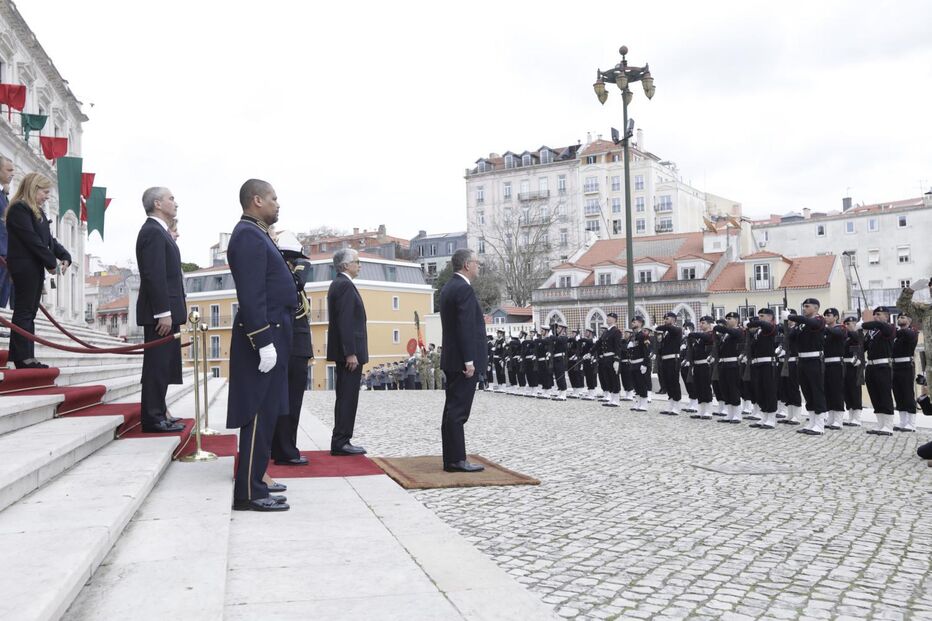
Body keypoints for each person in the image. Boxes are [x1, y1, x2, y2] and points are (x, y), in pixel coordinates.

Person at [227, 178, 296, 512]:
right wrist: (263, 340)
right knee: (256, 414)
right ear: (256, 200)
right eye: (273, 198)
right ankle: (250, 492)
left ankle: (257, 483)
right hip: (264, 334)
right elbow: (252, 295)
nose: (278, 203)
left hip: (276, 330)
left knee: (268, 414)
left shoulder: (257, 234)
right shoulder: (248, 236)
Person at [4, 172, 71, 369]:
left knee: (30, 312)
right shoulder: (19, 209)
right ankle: (22, 357)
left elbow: (49, 241)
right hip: (24, 266)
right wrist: (51, 263)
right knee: (24, 311)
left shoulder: (37, 212)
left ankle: (27, 356)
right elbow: (32, 240)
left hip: (33, 267)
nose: (47, 196)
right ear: (34, 189)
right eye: (45, 191)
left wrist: (65, 255)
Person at [135, 187, 185, 433]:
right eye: (171, 198)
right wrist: (162, 312)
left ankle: (160, 412)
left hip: (167, 310)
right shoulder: (153, 232)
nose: (175, 202)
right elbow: (154, 275)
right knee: (156, 366)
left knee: (164, 366)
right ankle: (153, 418)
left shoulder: (160, 232)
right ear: (157, 203)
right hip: (159, 313)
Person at [438, 248, 486, 473]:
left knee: (451, 410)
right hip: (462, 361)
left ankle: (451, 458)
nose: (478, 266)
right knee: (458, 412)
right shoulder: (463, 289)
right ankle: (457, 460)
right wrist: (469, 360)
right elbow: (465, 327)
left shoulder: (448, 287)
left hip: (451, 358)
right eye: (476, 262)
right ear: (467, 264)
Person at [270, 230, 313, 466]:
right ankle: (285, 449)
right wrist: (299, 268)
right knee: (290, 401)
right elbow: (297, 286)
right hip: (293, 345)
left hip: (296, 345)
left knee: (288, 400)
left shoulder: (285, 272)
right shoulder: (287, 275)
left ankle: (283, 446)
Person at [327, 247, 368, 456]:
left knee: (346, 396)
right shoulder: (344, 285)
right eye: (357, 261)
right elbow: (345, 322)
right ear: (345, 265)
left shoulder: (341, 284)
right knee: (347, 397)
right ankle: (341, 441)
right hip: (349, 354)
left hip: (347, 351)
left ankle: (342, 439)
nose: (359, 265)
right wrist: (350, 352)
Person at [786, 299, 828, 435]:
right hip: (802, 360)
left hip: (814, 359)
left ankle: (820, 425)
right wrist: (788, 323)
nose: (804, 308)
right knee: (807, 392)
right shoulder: (801, 324)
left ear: (815, 308)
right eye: (803, 306)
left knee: (817, 391)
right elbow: (790, 337)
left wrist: (792, 317)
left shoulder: (819, 320)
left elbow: (812, 323)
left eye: (807, 306)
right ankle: (812, 422)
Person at [862, 306, 896, 436]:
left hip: (883, 366)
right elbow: (863, 347)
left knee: (884, 395)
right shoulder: (872, 333)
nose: (876, 317)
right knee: (875, 396)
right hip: (871, 366)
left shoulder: (889, 328)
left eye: (879, 314)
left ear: (886, 316)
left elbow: (878, 324)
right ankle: (880, 424)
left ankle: (888, 425)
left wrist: (864, 324)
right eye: (874, 314)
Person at [891, 313, 918, 432]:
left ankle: (911, 423)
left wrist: (893, 330)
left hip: (906, 365)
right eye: (899, 317)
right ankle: (903, 421)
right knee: (898, 394)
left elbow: (907, 334)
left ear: (909, 320)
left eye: (902, 317)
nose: (899, 319)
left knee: (907, 393)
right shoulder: (896, 333)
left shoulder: (912, 332)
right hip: (895, 365)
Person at [821, 308, 847, 431]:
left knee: (837, 391)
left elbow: (838, 334)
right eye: (825, 315)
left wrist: (822, 327)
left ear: (836, 317)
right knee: (828, 391)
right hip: (826, 363)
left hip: (836, 363)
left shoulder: (841, 328)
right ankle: (831, 418)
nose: (826, 317)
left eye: (829, 315)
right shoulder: (826, 331)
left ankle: (838, 419)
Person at [654, 312, 683, 415]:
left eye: (668, 318)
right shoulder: (666, 333)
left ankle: (677, 405)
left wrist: (658, 327)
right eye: (665, 318)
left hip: (673, 360)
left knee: (674, 382)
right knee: (667, 383)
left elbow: (669, 328)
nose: (665, 320)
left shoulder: (677, 329)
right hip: (665, 360)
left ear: (674, 320)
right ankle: (671, 404)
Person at [842, 316, 865, 426]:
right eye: (846, 324)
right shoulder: (845, 336)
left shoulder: (858, 335)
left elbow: (858, 340)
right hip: (845, 365)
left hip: (854, 366)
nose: (848, 326)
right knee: (847, 391)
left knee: (855, 391)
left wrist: (855, 329)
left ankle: (857, 417)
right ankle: (851, 416)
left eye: (851, 323)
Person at [0, 155, 14, 311]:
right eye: (8, 170)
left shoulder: (4, 196)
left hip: (6, 252)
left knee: (3, 294)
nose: (12, 174)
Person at [627, 317, 651, 411]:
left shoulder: (643, 335)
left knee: (642, 384)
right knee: (635, 385)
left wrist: (645, 364)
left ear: (640, 323)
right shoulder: (633, 336)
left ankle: (644, 404)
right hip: (633, 363)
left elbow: (646, 351)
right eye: (632, 322)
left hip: (640, 363)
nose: (632, 323)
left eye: (634, 322)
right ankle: (637, 402)